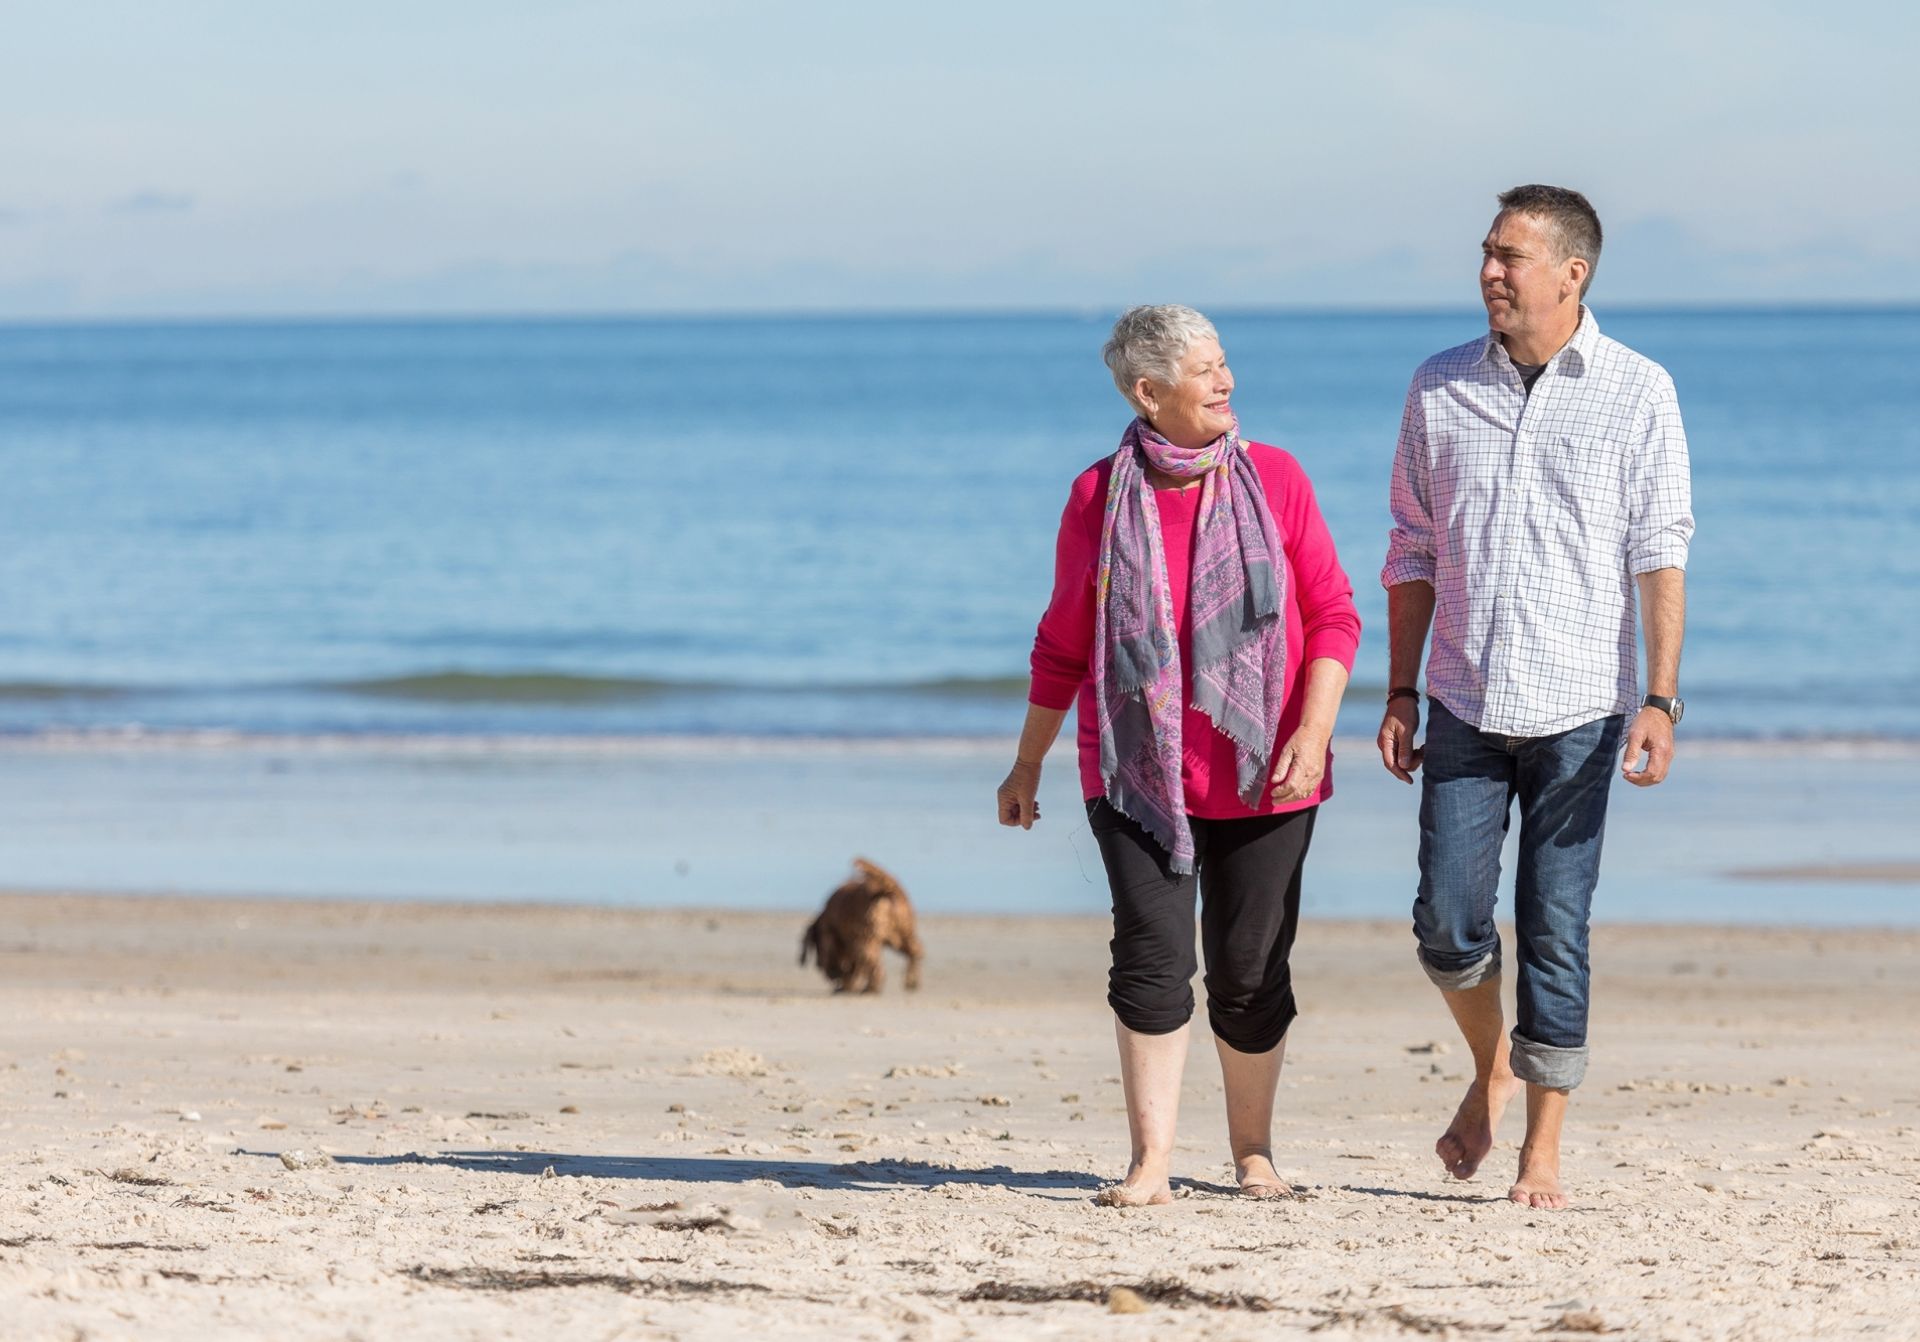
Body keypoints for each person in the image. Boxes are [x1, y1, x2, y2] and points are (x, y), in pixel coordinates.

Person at [997, 304, 1361, 1206]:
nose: (1226, 381)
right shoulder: (1097, 497)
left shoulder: (1274, 479)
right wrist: (1028, 763)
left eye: (1225, 362)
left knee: (1249, 969)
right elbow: (1063, 645)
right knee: (1151, 960)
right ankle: (1150, 1162)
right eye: (1204, 371)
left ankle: (1252, 1152)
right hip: (1136, 772)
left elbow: (1334, 616)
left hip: (1266, 768)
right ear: (1148, 392)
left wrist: (1311, 737)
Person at [1378, 185, 1694, 1209]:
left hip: (1585, 708)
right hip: (1465, 693)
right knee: (1447, 926)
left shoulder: (1639, 390)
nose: (1490, 273)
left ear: (1573, 272)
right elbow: (1413, 548)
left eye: (1511, 256)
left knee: (1556, 924)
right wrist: (1398, 689)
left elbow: (1659, 551)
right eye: (1486, 253)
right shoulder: (1437, 387)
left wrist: (1661, 698)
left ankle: (1541, 1151)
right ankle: (1492, 1066)